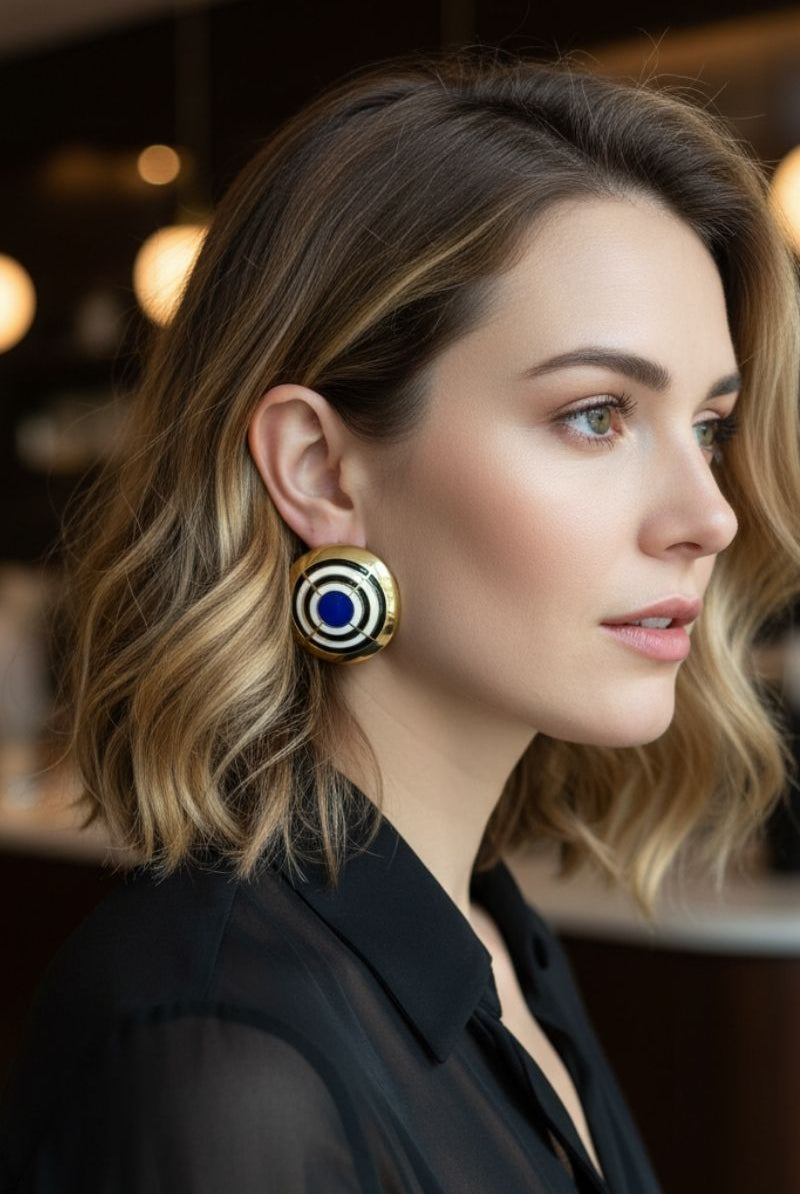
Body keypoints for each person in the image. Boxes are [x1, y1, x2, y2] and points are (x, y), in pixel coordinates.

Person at [1, 44, 799, 1194]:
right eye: (593, 415)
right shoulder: (223, 1057)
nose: (708, 516)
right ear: (320, 469)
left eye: (708, 426)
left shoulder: (486, 936)